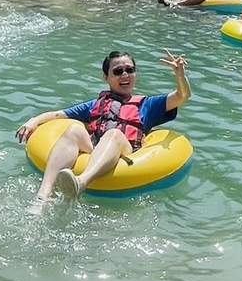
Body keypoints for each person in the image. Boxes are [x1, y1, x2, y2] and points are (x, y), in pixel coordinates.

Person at [16, 50, 191, 209]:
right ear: (105, 77)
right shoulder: (94, 105)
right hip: (95, 149)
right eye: (117, 71)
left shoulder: (148, 105)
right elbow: (58, 115)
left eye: (130, 70)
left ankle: (80, 183)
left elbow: (182, 96)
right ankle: (41, 198)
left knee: (114, 134)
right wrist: (33, 121)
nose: (125, 74)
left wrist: (180, 76)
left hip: (125, 152)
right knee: (73, 130)